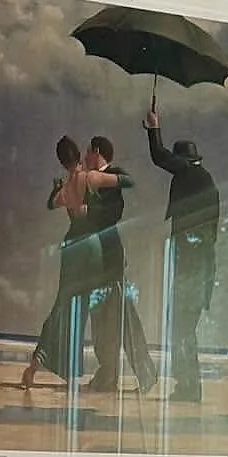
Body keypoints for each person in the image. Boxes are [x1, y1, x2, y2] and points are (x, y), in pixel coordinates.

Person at [144, 107, 220, 402]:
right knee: (184, 329)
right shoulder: (205, 181)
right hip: (198, 270)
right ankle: (188, 386)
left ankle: (189, 388)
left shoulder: (190, 174)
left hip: (192, 270)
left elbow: (160, 157)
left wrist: (154, 128)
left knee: (182, 329)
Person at [20, 137, 99, 391]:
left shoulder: (66, 186)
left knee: (62, 304)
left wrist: (56, 190)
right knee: (80, 307)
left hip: (72, 246)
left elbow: (51, 204)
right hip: (87, 248)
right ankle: (67, 368)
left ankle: (38, 362)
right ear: (78, 155)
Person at [81, 136, 157, 394]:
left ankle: (135, 374)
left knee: (119, 319)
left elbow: (107, 211)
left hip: (108, 258)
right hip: (97, 259)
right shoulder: (91, 181)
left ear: (98, 152)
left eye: (88, 151)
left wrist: (93, 185)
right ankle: (110, 374)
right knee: (105, 319)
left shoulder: (112, 177)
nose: (85, 156)